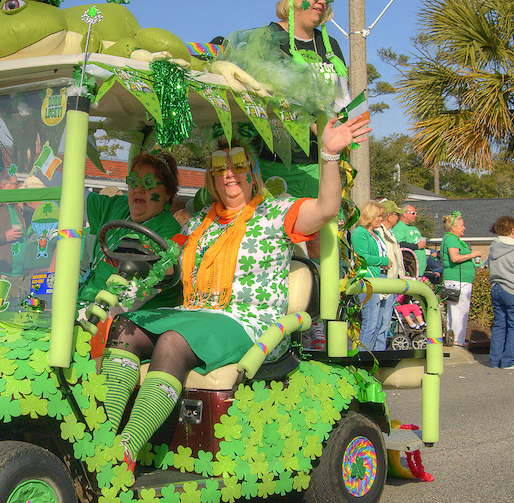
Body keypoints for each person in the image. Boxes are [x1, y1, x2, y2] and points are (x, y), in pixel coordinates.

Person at [98, 113, 370, 479]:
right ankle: (101, 438)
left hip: (249, 321)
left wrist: (329, 156)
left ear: (251, 172)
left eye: (238, 164)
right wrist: (128, 283)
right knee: (124, 328)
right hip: (198, 314)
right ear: (210, 178)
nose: (228, 172)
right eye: (218, 166)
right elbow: (165, 264)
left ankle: (125, 450)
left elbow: (326, 209)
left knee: (174, 343)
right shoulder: (199, 224)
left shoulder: (275, 212)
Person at [215, 0, 350, 204]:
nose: (321, 1)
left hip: (322, 162)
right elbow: (266, 96)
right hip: (272, 164)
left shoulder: (330, 46)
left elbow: (341, 99)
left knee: (320, 241)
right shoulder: (265, 39)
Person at [79, 152, 182, 311]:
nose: (138, 188)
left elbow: (133, 296)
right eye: (133, 181)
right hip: (85, 304)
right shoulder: (119, 207)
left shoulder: (170, 233)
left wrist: (85, 316)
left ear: (167, 192)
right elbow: (76, 198)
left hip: (125, 319)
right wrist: (44, 163)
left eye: (148, 182)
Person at [485, 216, 514, 369]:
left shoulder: (494, 247)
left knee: (499, 326)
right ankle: (509, 361)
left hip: (497, 288)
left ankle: (495, 360)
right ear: (513, 230)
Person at [351, 201, 395, 351]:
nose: (381, 219)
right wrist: (383, 261)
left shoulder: (375, 233)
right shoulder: (359, 233)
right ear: (370, 216)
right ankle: (362, 358)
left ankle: (374, 355)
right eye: (379, 216)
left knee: (378, 323)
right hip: (367, 280)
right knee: (370, 322)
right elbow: (362, 257)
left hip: (379, 278)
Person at [441, 212, 482, 348]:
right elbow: (454, 257)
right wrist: (472, 254)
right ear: (454, 227)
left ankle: (454, 338)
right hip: (457, 280)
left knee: (457, 310)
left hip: (460, 280)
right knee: (459, 310)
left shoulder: (453, 239)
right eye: (462, 226)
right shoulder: (451, 239)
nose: (464, 228)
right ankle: (457, 340)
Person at [377, 200, 407, 340]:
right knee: (379, 323)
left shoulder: (390, 233)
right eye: (396, 214)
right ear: (388, 216)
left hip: (393, 282)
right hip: (384, 283)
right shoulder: (379, 232)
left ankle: (380, 351)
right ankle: (375, 355)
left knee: (385, 323)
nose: (398, 217)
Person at [393, 203, 428, 277]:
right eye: (413, 213)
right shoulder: (399, 227)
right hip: (409, 271)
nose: (415, 215)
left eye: (416, 213)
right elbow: (399, 244)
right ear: (404, 214)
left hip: (419, 272)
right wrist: (416, 246)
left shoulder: (415, 228)